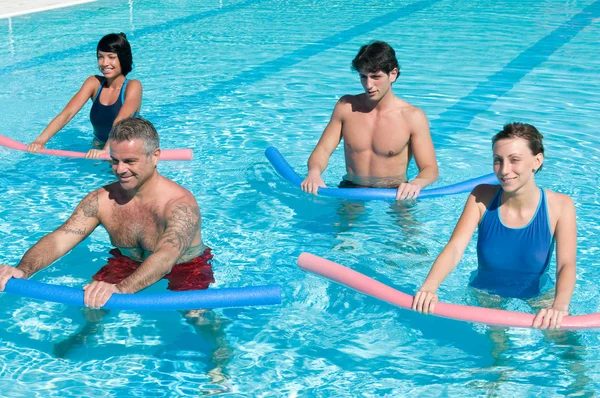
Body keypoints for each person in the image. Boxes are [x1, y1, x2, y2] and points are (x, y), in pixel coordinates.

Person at [0, 117, 212, 308]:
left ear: (154, 157)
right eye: (114, 160)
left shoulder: (180, 205)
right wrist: (23, 269)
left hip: (185, 266)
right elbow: (61, 238)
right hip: (127, 261)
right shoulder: (102, 200)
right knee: (92, 302)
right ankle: (83, 338)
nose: (120, 169)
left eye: (129, 161)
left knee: (197, 316)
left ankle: (220, 347)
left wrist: (121, 290)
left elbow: (165, 258)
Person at [412, 122, 577, 329]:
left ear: (537, 161)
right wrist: (430, 286)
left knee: (566, 343)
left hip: (538, 296)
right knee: (496, 349)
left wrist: (559, 305)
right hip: (486, 295)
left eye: (514, 160)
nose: (504, 170)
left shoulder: (561, 206)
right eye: (498, 161)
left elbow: (566, 265)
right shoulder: (481, 196)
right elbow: (455, 248)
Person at [300, 41, 438, 200]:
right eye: (363, 77)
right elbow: (322, 150)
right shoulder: (346, 107)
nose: (368, 85)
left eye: (375, 77)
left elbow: (430, 169)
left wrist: (416, 183)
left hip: (396, 192)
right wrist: (314, 173)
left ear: (393, 74)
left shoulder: (412, 117)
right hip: (352, 187)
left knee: (408, 225)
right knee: (341, 225)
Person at [27, 33, 142, 159]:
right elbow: (67, 114)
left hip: (129, 152)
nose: (104, 63)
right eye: (100, 57)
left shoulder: (133, 86)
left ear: (123, 58)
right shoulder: (94, 83)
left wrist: (107, 149)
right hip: (100, 147)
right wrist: (40, 141)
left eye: (111, 57)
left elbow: (121, 120)